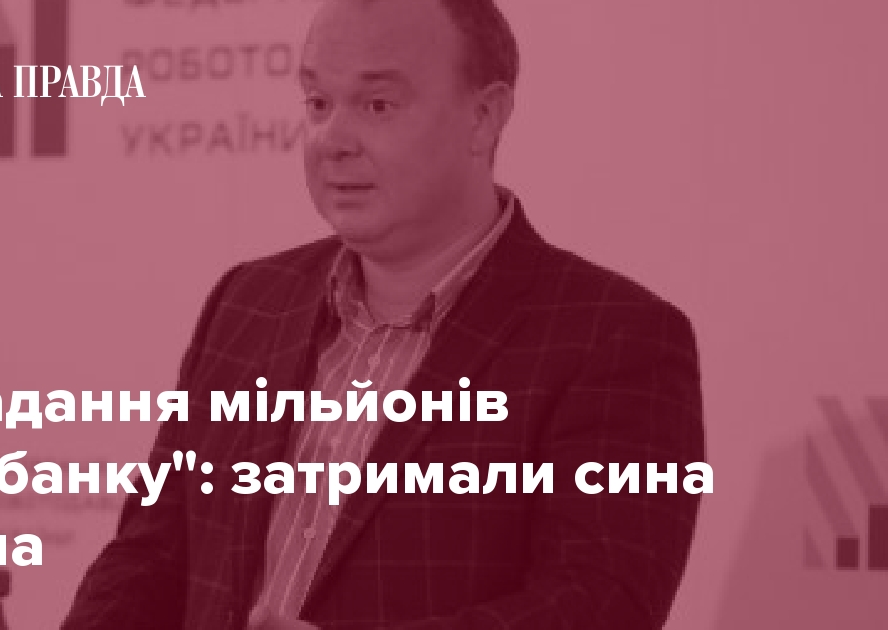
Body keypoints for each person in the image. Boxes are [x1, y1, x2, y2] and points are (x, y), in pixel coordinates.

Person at [61, 0, 704, 628]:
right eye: (318, 103)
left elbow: (598, 604)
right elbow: (151, 552)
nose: (333, 141)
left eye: (377, 105)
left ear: (483, 118)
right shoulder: (248, 302)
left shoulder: (615, 338)